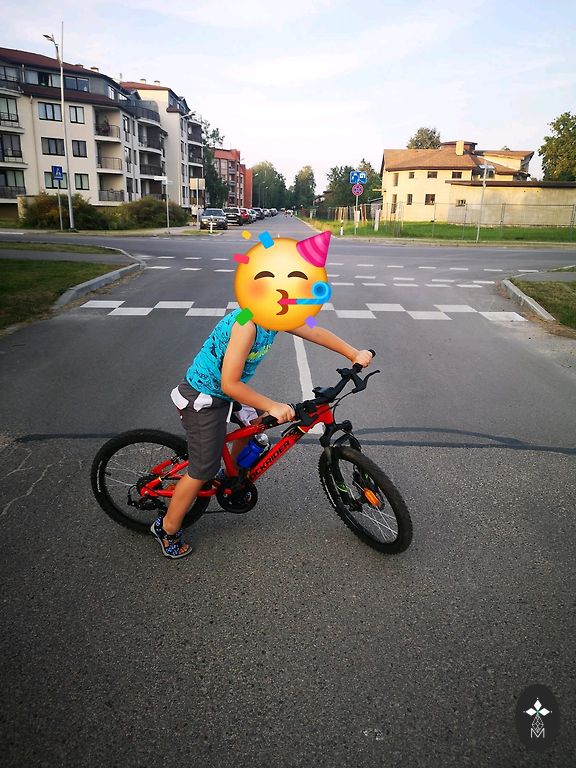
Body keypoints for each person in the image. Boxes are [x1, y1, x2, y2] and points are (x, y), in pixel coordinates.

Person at [151, 311, 373, 558]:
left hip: (226, 393)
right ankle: (167, 529)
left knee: (254, 425)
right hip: (203, 398)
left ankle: (232, 474)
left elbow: (314, 329)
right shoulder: (246, 324)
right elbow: (229, 384)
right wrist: (273, 405)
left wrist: (353, 353)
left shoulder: (278, 314)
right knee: (203, 469)